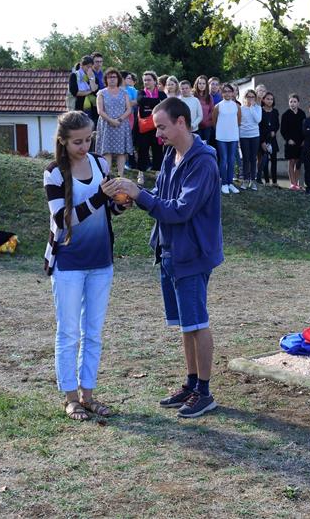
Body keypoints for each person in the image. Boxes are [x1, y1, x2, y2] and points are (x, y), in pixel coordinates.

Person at [109, 97, 224, 418]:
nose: (156, 133)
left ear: (181, 123)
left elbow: (181, 210)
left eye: (161, 127)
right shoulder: (172, 157)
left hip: (193, 254)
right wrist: (134, 198)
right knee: (186, 324)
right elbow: (162, 198)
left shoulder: (203, 163)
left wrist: (139, 194)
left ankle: (204, 391)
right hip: (170, 251)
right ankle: (191, 384)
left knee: (198, 323)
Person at [43, 111, 131, 420]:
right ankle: (70, 398)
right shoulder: (54, 172)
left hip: (100, 261)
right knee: (69, 333)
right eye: (77, 142)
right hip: (68, 263)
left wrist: (120, 202)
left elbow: (108, 210)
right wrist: (98, 196)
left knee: (93, 332)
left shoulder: (100, 164)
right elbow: (61, 222)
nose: (84, 146)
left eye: (88, 139)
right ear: (63, 142)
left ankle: (88, 395)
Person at [96, 68, 133, 177]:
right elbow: (100, 111)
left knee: (121, 151)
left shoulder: (124, 92)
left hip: (122, 124)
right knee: (107, 151)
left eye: (114, 77)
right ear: (106, 79)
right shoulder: (101, 93)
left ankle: (120, 176)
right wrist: (111, 120)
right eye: (109, 77)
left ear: (118, 79)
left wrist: (119, 120)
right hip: (106, 124)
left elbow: (129, 109)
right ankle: (107, 176)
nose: (112, 79)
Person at [134, 71, 168, 184]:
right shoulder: (141, 92)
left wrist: (149, 103)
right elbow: (140, 101)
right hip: (143, 127)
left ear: (155, 81)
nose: (146, 82)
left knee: (157, 150)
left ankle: (158, 172)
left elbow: (165, 105)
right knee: (142, 150)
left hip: (157, 128)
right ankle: (141, 173)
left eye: (149, 79)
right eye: (145, 80)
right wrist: (156, 102)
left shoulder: (162, 94)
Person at [212, 83, 241, 194]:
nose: (227, 93)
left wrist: (232, 131)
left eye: (229, 91)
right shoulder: (218, 106)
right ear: (221, 93)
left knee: (232, 160)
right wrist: (221, 131)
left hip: (233, 137)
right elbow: (214, 122)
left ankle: (230, 183)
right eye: (225, 91)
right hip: (221, 137)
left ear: (233, 93)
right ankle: (223, 183)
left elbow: (238, 121)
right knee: (223, 160)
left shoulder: (237, 106)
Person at [281, 94, 306, 190]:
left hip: (300, 143)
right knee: (291, 161)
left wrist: (304, 140)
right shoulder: (285, 115)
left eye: (295, 101)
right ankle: (292, 183)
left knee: (298, 163)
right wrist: (288, 139)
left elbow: (304, 128)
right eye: (291, 101)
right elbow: (283, 130)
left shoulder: (302, 114)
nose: (293, 103)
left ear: (298, 103)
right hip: (290, 142)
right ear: (289, 103)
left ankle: (297, 183)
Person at [238, 89, 262, 190]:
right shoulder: (241, 108)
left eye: (252, 97)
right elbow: (239, 123)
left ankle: (253, 181)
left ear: (255, 98)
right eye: (248, 97)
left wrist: (252, 107)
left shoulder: (258, 108)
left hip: (255, 135)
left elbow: (258, 120)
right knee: (245, 158)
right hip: (244, 136)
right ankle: (245, 180)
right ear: (245, 98)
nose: (250, 99)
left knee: (253, 158)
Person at [259, 91, 280, 186]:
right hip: (263, 139)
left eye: (271, 99)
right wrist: (262, 142)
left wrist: (274, 131)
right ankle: (267, 181)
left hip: (272, 139)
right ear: (263, 99)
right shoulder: (260, 111)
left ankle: (275, 182)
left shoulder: (275, 112)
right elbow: (259, 126)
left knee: (274, 160)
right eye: (267, 99)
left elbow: (277, 124)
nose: (270, 101)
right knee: (265, 161)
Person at [193, 75, 214, 144]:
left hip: (207, 126)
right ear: (197, 84)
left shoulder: (209, 97)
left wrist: (205, 120)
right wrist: (198, 121)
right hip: (196, 126)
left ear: (206, 85)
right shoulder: (193, 96)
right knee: (197, 145)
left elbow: (212, 111)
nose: (201, 85)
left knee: (205, 144)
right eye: (200, 83)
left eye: (203, 83)